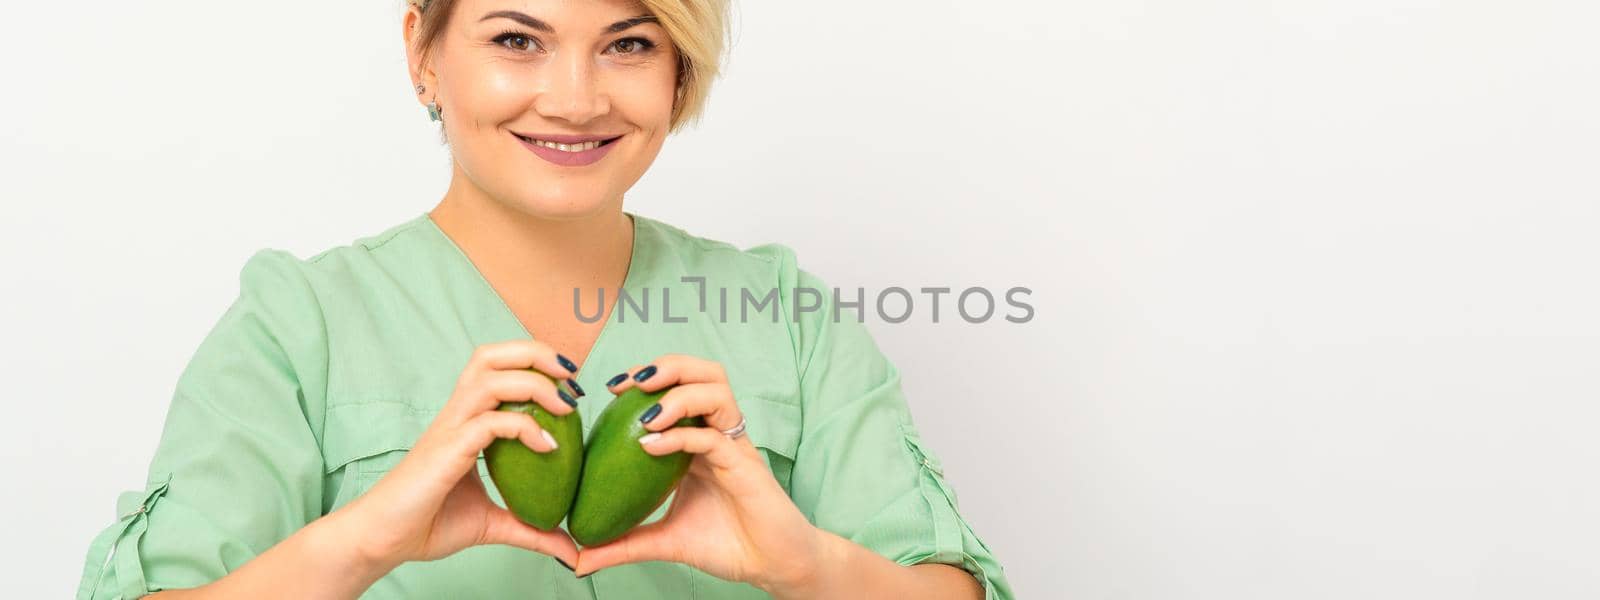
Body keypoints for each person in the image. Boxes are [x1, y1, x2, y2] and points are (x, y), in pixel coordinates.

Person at [74, 0, 1013, 598]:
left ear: (678, 68)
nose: (574, 98)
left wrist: (809, 570)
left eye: (629, 42)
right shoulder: (297, 323)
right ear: (424, 51)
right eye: (517, 39)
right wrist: (362, 541)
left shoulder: (782, 314)